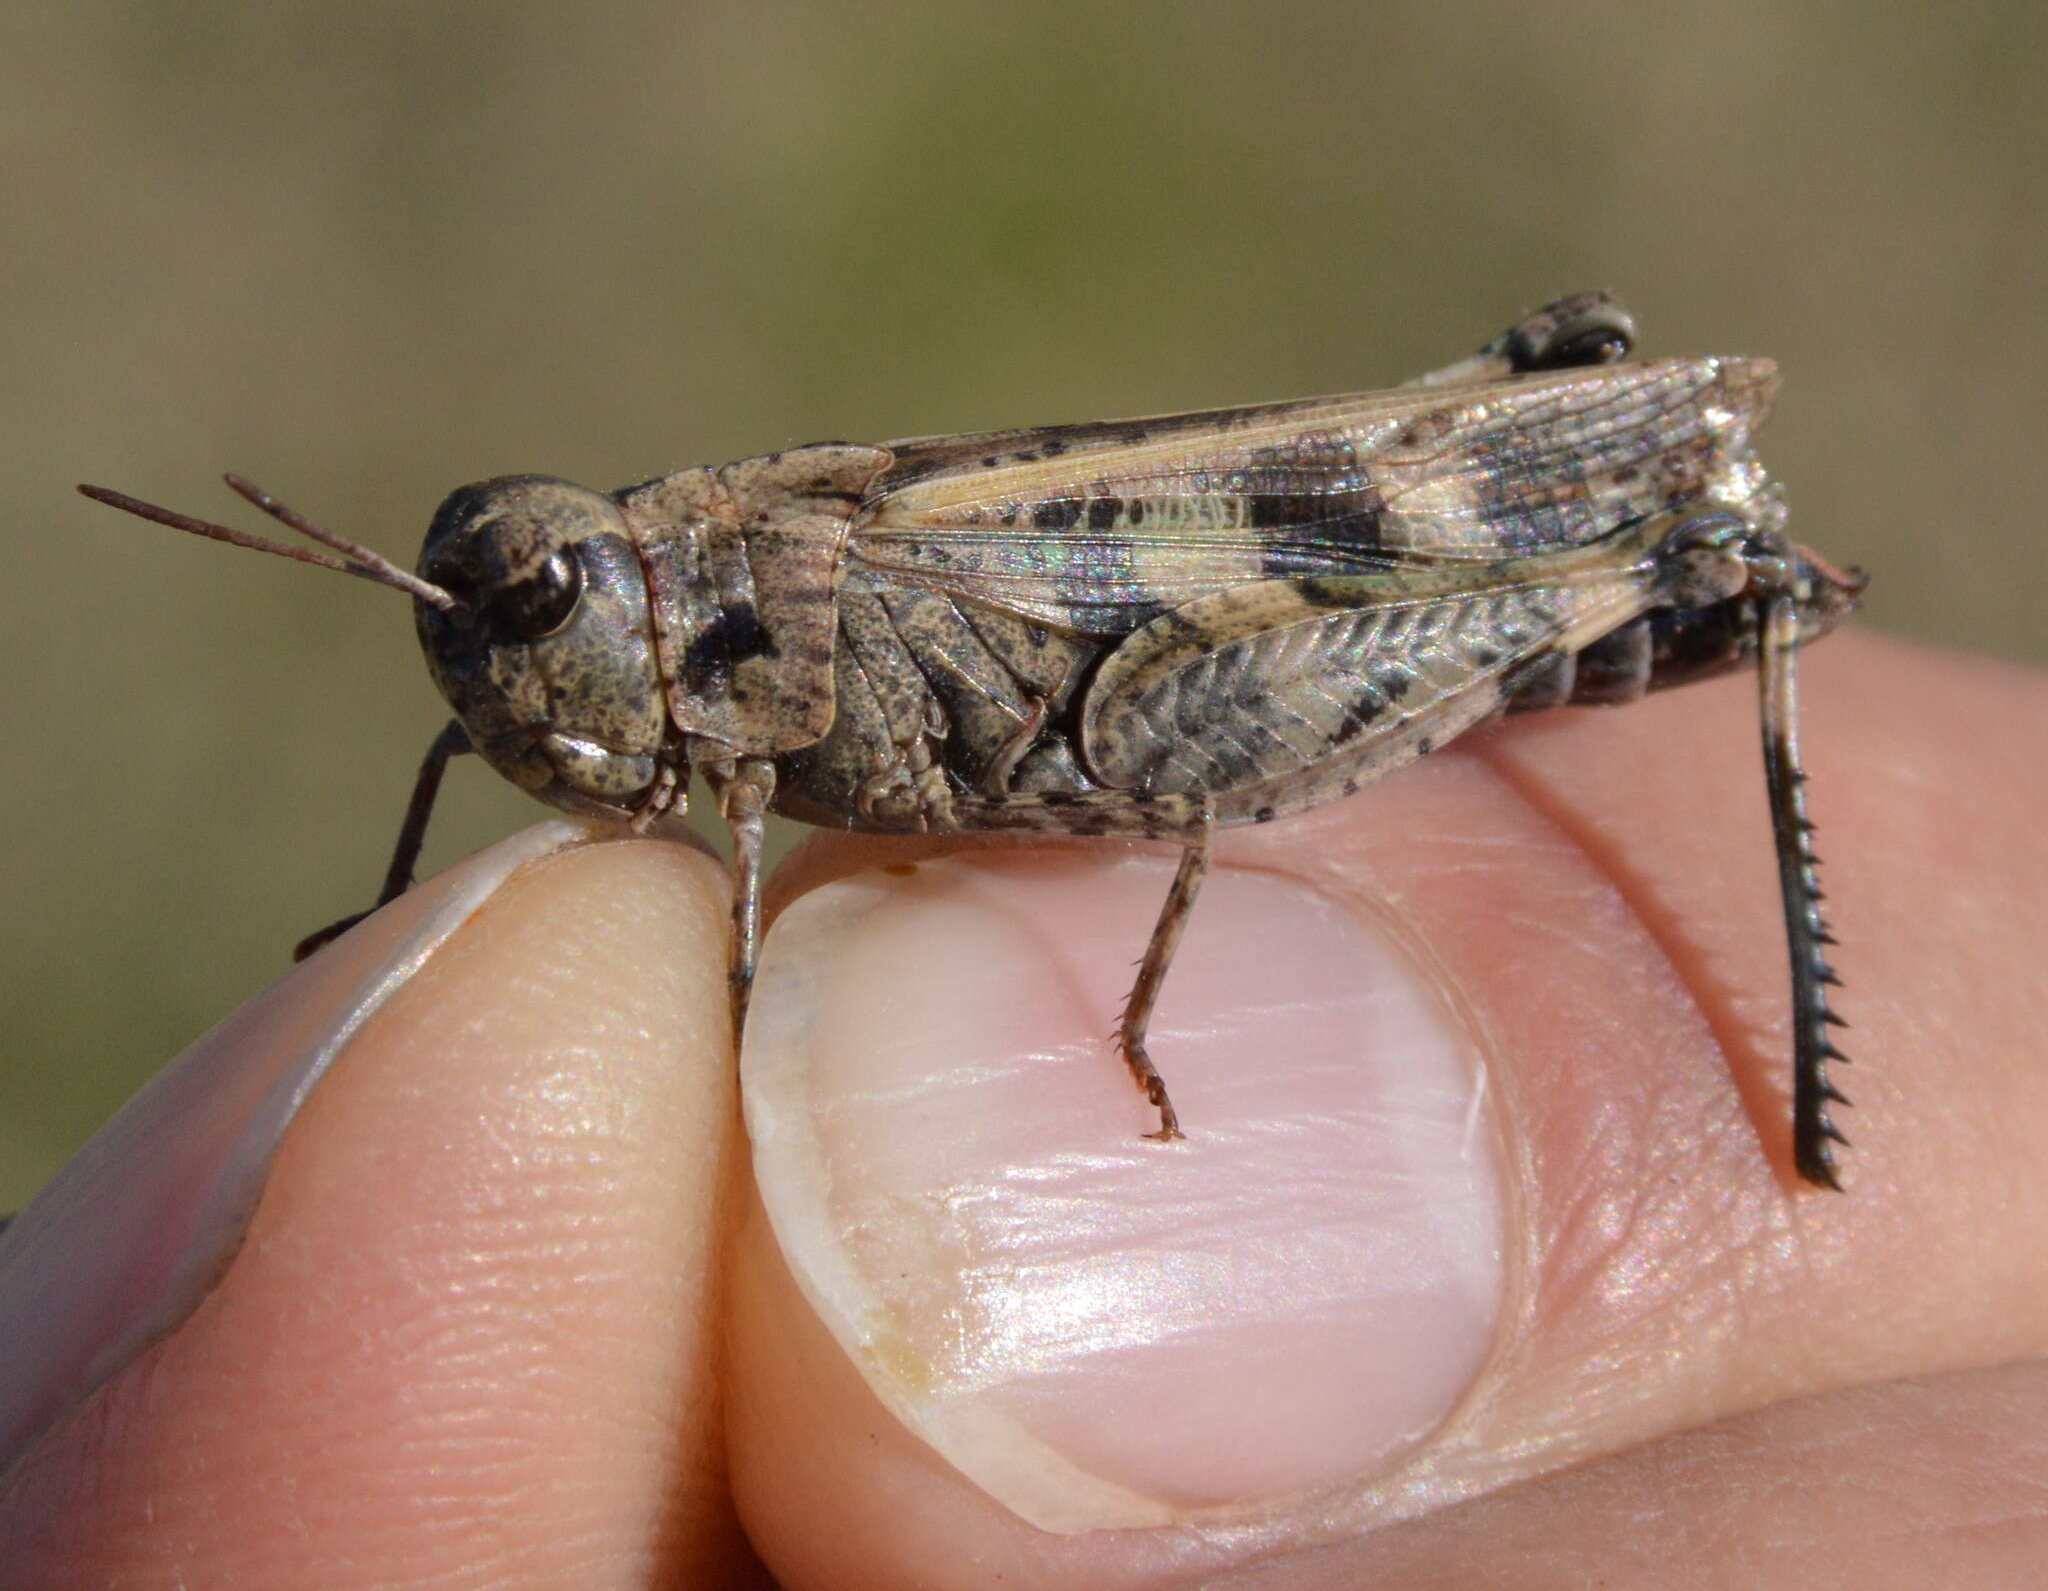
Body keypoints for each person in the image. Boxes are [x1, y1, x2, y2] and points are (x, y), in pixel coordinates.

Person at [1, 633, 2041, 1588]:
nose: (522, 707)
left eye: (543, 618)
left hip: (1203, 644)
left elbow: (1137, 765)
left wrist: (1148, 1042)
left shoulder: (796, 614)